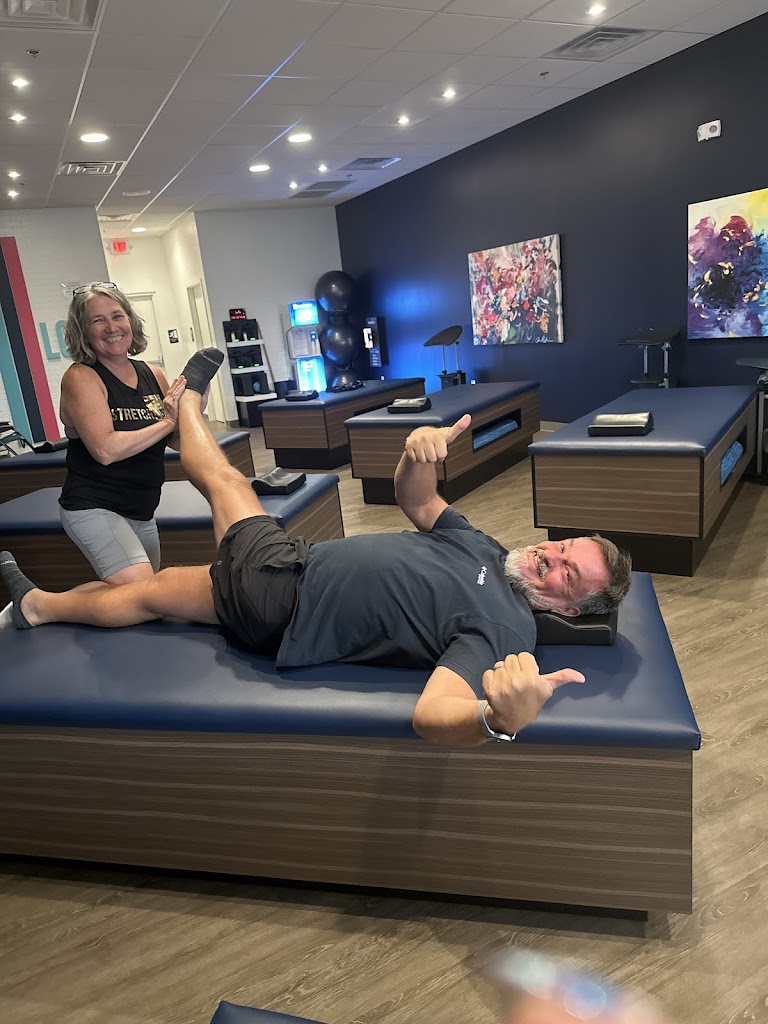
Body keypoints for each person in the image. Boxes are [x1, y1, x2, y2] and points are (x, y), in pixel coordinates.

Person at [0, 357, 631, 747]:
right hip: (297, 565)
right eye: (562, 544)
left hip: (283, 599)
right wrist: (417, 453)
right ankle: (37, 607)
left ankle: (185, 402)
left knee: (225, 482)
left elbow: (434, 714)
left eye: (568, 573)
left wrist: (497, 720)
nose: (551, 556)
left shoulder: (507, 629)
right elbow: (418, 500)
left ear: (569, 610)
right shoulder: (488, 548)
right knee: (152, 591)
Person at [57, 281, 189, 585]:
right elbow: (105, 450)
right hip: (94, 506)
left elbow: (176, 440)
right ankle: (38, 604)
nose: (111, 327)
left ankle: (38, 603)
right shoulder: (81, 377)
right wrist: (168, 422)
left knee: (142, 595)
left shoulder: (152, 373)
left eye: (117, 316)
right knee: (143, 590)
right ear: (83, 331)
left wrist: (191, 409)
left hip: (141, 509)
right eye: (97, 320)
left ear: (130, 320)